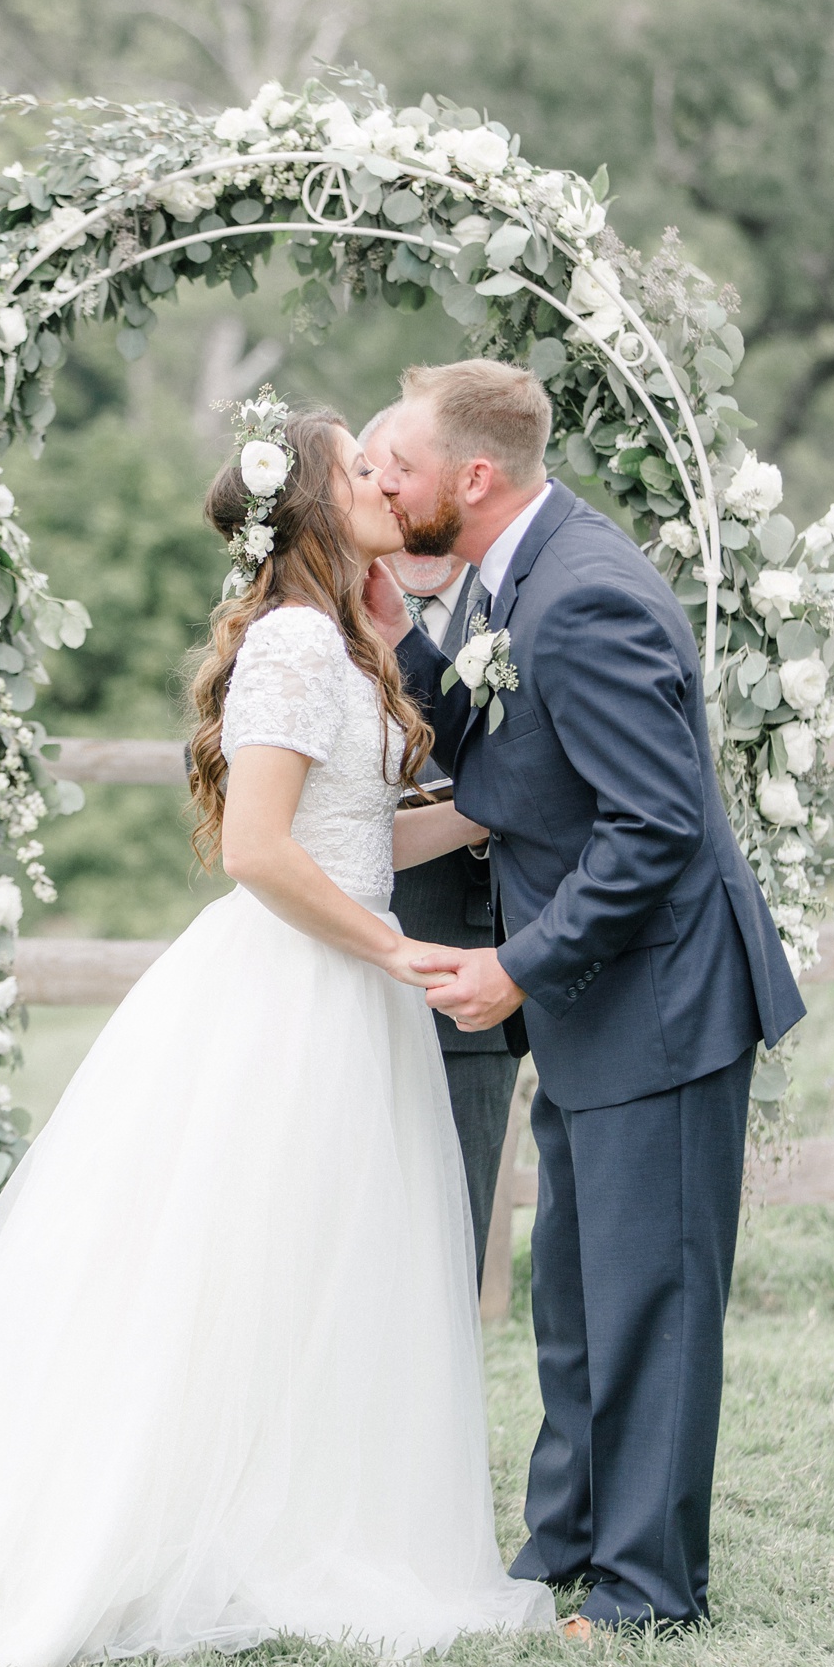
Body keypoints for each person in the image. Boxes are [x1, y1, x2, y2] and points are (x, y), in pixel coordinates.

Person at [0, 402, 555, 1667]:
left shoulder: (340, 641)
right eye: (362, 468)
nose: (388, 481)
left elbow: (354, 835)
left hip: (350, 989)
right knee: (234, 1267)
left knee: (323, 1272)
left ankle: (292, 1518)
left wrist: (503, 811)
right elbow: (260, 851)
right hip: (291, 994)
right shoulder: (287, 644)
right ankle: (154, 1535)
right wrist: (391, 950)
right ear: (320, 506)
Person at [365, 359, 807, 1633]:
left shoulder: (588, 596)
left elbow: (653, 830)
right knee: (574, 1291)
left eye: (401, 469)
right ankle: (562, 1542)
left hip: (662, 1004)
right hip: (598, 1003)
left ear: (475, 477)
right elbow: (509, 753)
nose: (387, 489)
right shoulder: (512, 578)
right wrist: (397, 626)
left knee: (651, 1301)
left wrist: (516, 965)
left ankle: (647, 1589)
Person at [360, 407, 517, 1287]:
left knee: (441, 1268)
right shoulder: (311, 617)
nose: (396, 496)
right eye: (378, 475)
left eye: (407, 475)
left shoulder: (523, 597)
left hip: (472, 978)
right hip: (339, 968)